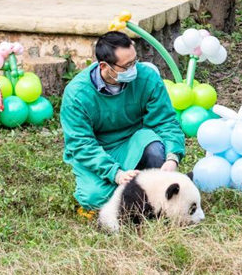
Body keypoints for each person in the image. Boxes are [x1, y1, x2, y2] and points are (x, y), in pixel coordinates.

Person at [61, 31, 185, 212]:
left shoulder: (147, 77)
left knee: (155, 149)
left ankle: (153, 194)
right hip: (99, 150)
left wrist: (173, 157)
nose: (134, 69)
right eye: (127, 65)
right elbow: (81, 144)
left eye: (135, 61)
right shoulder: (77, 94)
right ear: (104, 66)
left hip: (134, 141)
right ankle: (138, 189)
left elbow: (165, 122)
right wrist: (116, 173)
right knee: (93, 198)